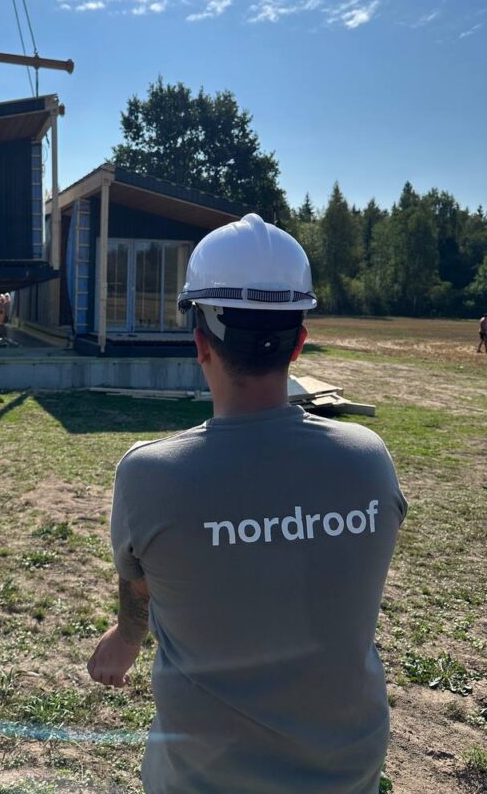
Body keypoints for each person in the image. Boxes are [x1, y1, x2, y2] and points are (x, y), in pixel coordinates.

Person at [87, 213, 408, 794]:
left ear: (200, 342)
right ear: (300, 342)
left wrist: (127, 638)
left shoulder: (151, 475)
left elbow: (140, 590)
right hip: (349, 772)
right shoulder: (368, 460)